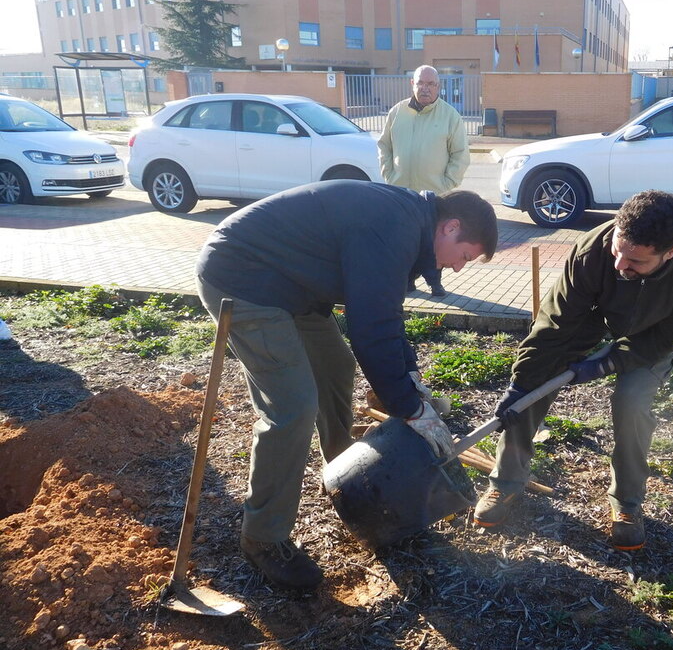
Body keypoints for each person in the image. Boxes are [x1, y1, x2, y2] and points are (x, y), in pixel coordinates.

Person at [195, 180, 497, 590]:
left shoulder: (409, 225)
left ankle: (352, 481)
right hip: (243, 279)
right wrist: (409, 408)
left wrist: (410, 383)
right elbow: (371, 326)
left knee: (336, 366)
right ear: (451, 227)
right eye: (465, 255)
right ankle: (263, 537)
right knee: (293, 405)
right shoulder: (396, 226)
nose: (459, 267)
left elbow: (386, 314)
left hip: (291, 288)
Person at [474, 190, 673, 551]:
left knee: (632, 403)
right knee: (532, 388)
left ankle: (627, 503)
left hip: (652, 332)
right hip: (592, 315)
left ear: (669, 253)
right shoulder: (593, 250)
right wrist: (521, 382)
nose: (621, 264)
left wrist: (607, 362)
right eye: (618, 251)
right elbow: (555, 326)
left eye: (635, 261)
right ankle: (505, 482)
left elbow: (670, 335)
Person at [377, 65, 471, 298]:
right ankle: (407, 281)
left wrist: (446, 184)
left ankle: (435, 283)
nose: (425, 88)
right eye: (421, 83)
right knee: (402, 242)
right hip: (400, 193)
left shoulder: (450, 116)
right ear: (413, 84)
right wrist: (389, 175)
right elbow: (384, 146)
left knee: (432, 243)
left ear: (438, 87)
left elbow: (460, 155)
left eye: (430, 84)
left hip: (434, 196)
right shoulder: (397, 112)